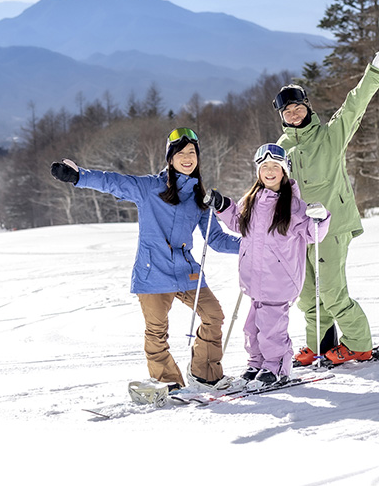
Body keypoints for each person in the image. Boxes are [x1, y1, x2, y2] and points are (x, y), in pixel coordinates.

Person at [49, 127, 240, 392]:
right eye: (181, 153)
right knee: (157, 332)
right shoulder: (149, 188)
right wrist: (79, 176)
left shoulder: (200, 198)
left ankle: (204, 373)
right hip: (153, 273)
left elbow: (217, 240)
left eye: (192, 153)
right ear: (170, 158)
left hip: (187, 272)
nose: (188, 158)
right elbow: (113, 181)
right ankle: (168, 383)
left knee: (214, 316)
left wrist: (253, 246)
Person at [273, 45, 379, 366]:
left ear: (307, 107)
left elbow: (354, 106)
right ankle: (319, 345)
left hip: (332, 225)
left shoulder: (329, 136)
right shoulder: (282, 148)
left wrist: (375, 71)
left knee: (330, 291)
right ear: (282, 116)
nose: (294, 114)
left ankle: (358, 344)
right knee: (307, 295)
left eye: (298, 108)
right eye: (287, 112)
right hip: (300, 231)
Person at [207, 143, 330, 386]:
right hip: (254, 280)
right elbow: (237, 222)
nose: (270, 171)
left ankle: (276, 367)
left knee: (272, 330)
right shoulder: (250, 200)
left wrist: (320, 218)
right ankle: (257, 363)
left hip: (279, 280)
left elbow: (312, 233)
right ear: (258, 171)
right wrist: (223, 205)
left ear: (284, 172)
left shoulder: (294, 206)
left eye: (276, 166)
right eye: (265, 167)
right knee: (252, 329)